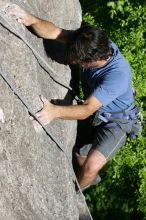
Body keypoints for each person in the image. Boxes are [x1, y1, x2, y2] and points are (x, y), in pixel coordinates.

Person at [5, 4, 140, 190]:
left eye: (79, 61)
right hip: (96, 110)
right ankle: (89, 178)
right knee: (79, 154)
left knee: (91, 167)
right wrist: (31, 19)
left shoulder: (117, 76)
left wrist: (54, 112)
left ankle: (77, 194)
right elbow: (56, 32)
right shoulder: (91, 43)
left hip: (116, 121)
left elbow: (86, 110)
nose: (75, 62)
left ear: (95, 60)